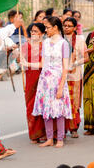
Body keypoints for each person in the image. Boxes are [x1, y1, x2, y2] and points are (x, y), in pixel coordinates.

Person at [28, 17, 72, 148]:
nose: (45, 30)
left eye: (47, 27)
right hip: (45, 80)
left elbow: (65, 67)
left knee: (58, 109)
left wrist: (61, 86)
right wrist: (27, 63)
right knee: (46, 108)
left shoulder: (63, 43)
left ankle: (59, 138)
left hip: (58, 79)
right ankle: (49, 138)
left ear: (55, 28)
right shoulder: (45, 43)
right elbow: (43, 63)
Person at [20, 22, 46, 144]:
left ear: (42, 33)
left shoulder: (46, 45)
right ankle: (34, 134)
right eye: (32, 31)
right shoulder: (25, 45)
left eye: (36, 31)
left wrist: (27, 63)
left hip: (44, 77)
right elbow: (20, 59)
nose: (33, 33)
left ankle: (45, 133)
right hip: (30, 78)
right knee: (31, 105)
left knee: (43, 104)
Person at [63, 17, 87, 138]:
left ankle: (73, 128)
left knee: (74, 103)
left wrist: (75, 63)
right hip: (61, 76)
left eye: (69, 26)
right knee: (62, 102)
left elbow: (86, 57)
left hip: (75, 75)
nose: (66, 28)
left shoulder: (79, 39)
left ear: (74, 28)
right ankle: (63, 128)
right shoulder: (59, 40)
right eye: (65, 25)